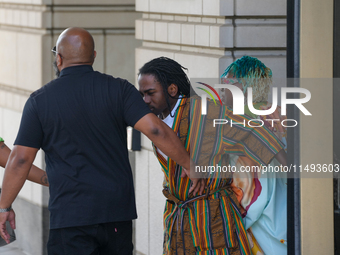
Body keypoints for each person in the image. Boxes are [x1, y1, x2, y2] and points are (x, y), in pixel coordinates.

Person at [0, 27, 204, 255]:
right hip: (116, 215)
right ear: (93, 56)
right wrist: (188, 163)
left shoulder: (39, 101)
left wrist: (4, 206)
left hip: (70, 217)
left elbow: (19, 160)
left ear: (58, 58)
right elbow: (156, 130)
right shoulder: (120, 90)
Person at [138, 57, 287, 255]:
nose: (145, 100)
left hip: (213, 220)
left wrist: (295, 172)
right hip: (179, 219)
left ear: (171, 90)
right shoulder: (156, 121)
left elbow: (258, 136)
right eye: (142, 94)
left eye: (150, 93)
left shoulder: (206, 113)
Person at [221, 55, 287, 255]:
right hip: (286, 216)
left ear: (244, 88)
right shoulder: (277, 114)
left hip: (262, 226)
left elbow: (252, 190)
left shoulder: (243, 122)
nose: (222, 91)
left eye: (227, 84)